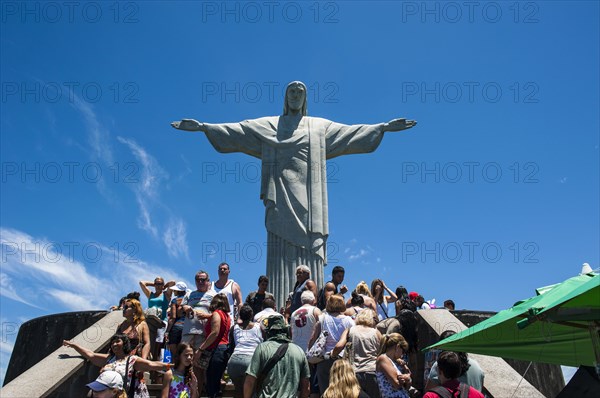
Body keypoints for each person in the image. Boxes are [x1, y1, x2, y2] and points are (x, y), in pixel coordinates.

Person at [172, 81, 417, 307]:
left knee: (311, 247)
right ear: (285, 97)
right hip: (280, 194)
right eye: (292, 92)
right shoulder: (271, 125)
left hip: (310, 199)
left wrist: (381, 128)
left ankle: (314, 308)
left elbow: (350, 134)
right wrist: (206, 128)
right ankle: (278, 307)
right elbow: (240, 131)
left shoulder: (318, 127)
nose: (296, 96)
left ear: (305, 98)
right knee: (279, 250)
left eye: (300, 93)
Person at [63, 333, 169, 398]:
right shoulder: (109, 358)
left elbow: (151, 364)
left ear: (125, 343)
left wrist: (172, 365)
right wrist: (74, 345)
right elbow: (90, 354)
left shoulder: (132, 360)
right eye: (112, 342)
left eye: (117, 341)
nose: (114, 344)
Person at [244, 316, 310, 398]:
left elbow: (250, 380)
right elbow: (306, 386)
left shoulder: (262, 348)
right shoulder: (299, 351)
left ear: (268, 332)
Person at [309, 294, 355, 394]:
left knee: (325, 392)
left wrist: (310, 356)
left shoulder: (322, 318)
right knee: (343, 391)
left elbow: (312, 339)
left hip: (324, 359)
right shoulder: (349, 320)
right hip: (342, 360)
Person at [332, 309, 382, 398]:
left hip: (354, 373)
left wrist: (332, 354)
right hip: (372, 372)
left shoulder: (350, 330)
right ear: (372, 319)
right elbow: (382, 352)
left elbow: (339, 346)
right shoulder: (376, 333)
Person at [181, 270, 216, 394]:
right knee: (183, 364)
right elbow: (182, 306)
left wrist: (206, 315)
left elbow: (218, 315)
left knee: (198, 367)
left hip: (203, 334)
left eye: (203, 279)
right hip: (187, 332)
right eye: (198, 279)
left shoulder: (213, 295)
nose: (200, 282)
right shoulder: (189, 294)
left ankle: (197, 394)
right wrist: (186, 308)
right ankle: (182, 392)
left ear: (208, 281)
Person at [197, 293, 231, 398]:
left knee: (211, 383)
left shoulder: (217, 313)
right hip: (224, 349)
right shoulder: (227, 316)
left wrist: (201, 349)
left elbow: (215, 333)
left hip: (216, 350)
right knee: (215, 383)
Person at [226, 304, 263, 398]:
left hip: (234, 361)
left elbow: (231, 346)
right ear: (251, 315)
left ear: (240, 315)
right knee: (252, 392)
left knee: (238, 391)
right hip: (251, 360)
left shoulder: (234, 328)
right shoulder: (259, 327)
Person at [376, 333, 412, 398]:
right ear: (398, 347)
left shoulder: (397, 362)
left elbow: (406, 386)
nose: (402, 355)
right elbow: (397, 384)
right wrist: (405, 378)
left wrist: (407, 378)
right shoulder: (383, 358)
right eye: (403, 350)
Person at [166, 282, 189, 358]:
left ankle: (174, 368)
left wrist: (167, 331)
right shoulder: (189, 300)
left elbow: (173, 317)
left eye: (175, 290)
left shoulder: (175, 300)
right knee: (183, 352)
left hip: (176, 327)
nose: (174, 291)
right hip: (186, 327)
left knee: (174, 353)